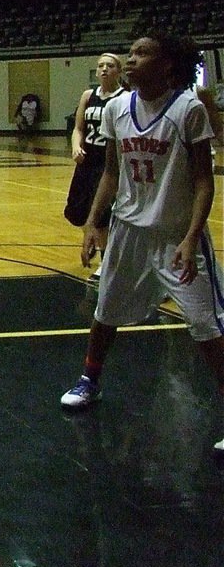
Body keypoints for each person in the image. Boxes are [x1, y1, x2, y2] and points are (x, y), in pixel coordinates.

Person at [59, 35, 224, 458]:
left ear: (168, 66)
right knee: (105, 310)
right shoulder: (117, 108)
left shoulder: (188, 109)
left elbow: (205, 180)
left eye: (141, 54)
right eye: (129, 54)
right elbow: (112, 173)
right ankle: (90, 381)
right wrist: (94, 222)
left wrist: (191, 236)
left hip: (175, 233)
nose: (131, 60)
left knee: (207, 326)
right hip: (129, 228)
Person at [64, 53, 128, 282]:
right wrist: (75, 147)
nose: (104, 69)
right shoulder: (88, 96)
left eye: (110, 66)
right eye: (100, 65)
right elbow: (78, 128)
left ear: (118, 71)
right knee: (76, 211)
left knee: (102, 215)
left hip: (108, 160)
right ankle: (92, 239)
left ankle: (106, 262)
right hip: (87, 159)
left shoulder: (125, 98)